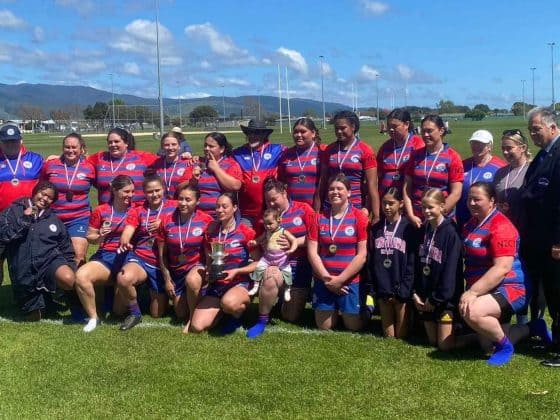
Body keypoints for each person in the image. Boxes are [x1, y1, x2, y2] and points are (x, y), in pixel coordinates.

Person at [460, 182, 546, 366]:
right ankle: (533, 328)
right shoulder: (471, 224)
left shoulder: (501, 226)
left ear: (492, 201)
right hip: (487, 288)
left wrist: (472, 292)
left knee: (472, 311)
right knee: (486, 346)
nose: (472, 203)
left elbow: (502, 268)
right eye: (469, 199)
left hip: (511, 288)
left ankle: (505, 347)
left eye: (477, 199)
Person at [245, 178, 315, 338]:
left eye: (274, 199)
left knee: (290, 316)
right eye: (267, 201)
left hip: (299, 270)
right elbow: (258, 242)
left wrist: (294, 242)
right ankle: (262, 320)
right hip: (274, 265)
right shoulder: (265, 217)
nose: (271, 204)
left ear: (284, 193)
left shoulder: (303, 209)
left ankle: (283, 300)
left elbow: (315, 236)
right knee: (271, 277)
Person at [518, 107, 560, 367]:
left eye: (537, 129)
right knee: (549, 291)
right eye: (530, 130)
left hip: (552, 240)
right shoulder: (544, 154)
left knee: (558, 291)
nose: (533, 134)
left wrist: (558, 241)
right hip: (538, 238)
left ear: (552, 128)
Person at [0, 181, 76, 320]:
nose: (45, 199)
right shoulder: (13, 210)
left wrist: (71, 266)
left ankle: (62, 298)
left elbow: (65, 246)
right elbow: (4, 236)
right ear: (35, 192)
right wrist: (25, 219)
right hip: (23, 268)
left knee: (68, 279)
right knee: (35, 316)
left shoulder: (53, 219)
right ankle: (43, 299)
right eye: (43, 194)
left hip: (48, 261)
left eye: (50, 198)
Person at [190, 192, 260, 334]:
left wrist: (237, 271)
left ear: (234, 208)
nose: (220, 210)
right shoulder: (211, 232)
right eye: (217, 206)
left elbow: (258, 262)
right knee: (197, 326)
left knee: (229, 303)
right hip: (217, 286)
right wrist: (209, 272)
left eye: (224, 206)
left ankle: (236, 315)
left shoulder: (246, 232)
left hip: (239, 283)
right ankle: (223, 312)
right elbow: (209, 260)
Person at [307, 173, 369, 331]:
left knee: (353, 326)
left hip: (349, 281)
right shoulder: (318, 217)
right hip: (324, 280)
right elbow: (312, 253)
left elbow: (362, 255)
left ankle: (368, 304)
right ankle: (335, 306)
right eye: (331, 189)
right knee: (324, 326)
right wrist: (327, 280)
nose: (335, 192)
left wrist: (340, 280)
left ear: (349, 192)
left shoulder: (359, 217)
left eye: (339, 189)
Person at [116, 174, 176, 330]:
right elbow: (129, 229)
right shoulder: (138, 210)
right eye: (150, 191)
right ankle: (135, 314)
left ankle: (145, 291)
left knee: (157, 314)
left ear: (164, 189)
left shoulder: (175, 206)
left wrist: (164, 222)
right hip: (141, 257)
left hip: (162, 262)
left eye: (157, 190)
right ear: (144, 193)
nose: (154, 194)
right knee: (123, 281)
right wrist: (125, 240)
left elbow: (187, 220)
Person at [75, 175, 134, 332]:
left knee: (118, 312)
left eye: (132, 191)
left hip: (129, 258)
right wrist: (100, 235)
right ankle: (94, 318)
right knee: (81, 276)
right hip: (106, 256)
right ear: (114, 190)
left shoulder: (137, 210)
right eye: (126, 191)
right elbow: (90, 237)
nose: (130, 195)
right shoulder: (101, 210)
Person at [412, 189, 463, 351]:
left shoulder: (451, 233)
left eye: (431, 207)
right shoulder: (423, 229)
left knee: (445, 345)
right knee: (433, 341)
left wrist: (436, 300)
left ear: (442, 206)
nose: (426, 211)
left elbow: (450, 272)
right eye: (423, 207)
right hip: (425, 297)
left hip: (444, 299)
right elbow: (416, 265)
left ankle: (476, 336)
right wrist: (416, 293)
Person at [157, 184, 213, 331]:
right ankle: (200, 300)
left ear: (198, 201)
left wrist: (208, 273)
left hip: (196, 268)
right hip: (177, 272)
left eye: (188, 200)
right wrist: (167, 280)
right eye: (180, 199)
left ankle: (192, 319)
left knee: (192, 280)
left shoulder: (206, 220)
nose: (183, 203)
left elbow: (209, 252)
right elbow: (162, 255)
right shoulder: (167, 220)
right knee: (180, 312)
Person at [368, 187, 417, 338]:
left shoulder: (409, 228)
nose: (387, 207)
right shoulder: (376, 229)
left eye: (391, 203)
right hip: (383, 289)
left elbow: (411, 263)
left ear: (401, 203)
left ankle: (411, 318)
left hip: (401, 290)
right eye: (384, 203)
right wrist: (377, 288)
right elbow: (371, 260)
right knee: (389, 336)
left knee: (401, 335)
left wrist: (404, 289)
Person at [41, 133, 95, 265]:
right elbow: (40, 187)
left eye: (74, 147)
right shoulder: (51, 165)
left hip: (79, 217)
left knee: (78, 255)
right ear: (63, 148)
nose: (70, 150)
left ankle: (79, 278)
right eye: (67, 147)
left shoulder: (89, 167)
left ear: (81, 148)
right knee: (51, 256)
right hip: (53, 216)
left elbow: (102, 186)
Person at [316, 110, 380, 223]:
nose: (339, 131)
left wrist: (374, 213)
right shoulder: (329, 150)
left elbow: (372, 185)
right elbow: (323, 181)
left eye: (343, 128)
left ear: (353, 127)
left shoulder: (365, 150)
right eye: (336, 128)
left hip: (355, 206)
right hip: (331, 205)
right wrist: (317, 211)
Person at [0, 123, 43, 286]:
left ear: (21, 140)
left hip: (28, 218)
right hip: (1, 220)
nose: (11, 144)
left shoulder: (36, 159)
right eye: (6, 141)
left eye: (14, 140)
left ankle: (27, 293)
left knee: (24, 260)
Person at [403, 114, 463, 228]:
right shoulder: (415, 156)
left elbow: (456, 193)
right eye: (423, 131)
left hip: (441, 221)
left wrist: (437, 216)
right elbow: (407, 189)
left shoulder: (453, 157)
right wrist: (410, 214)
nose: (425, 135)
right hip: (417, 220)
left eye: (429, 131)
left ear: (441, 131)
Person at [233, 120, 284, 226]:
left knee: (271, 236)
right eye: (249, 133)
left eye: (256, 133)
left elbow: (297, 152)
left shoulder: (277, 149)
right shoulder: (238, 153)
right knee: (244, 236)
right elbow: (220, 159)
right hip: (246, 213)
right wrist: (199, 159)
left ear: (264, 135)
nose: (252, 136)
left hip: (271, 211)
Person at [87, 128, 157, 205]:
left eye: (116, 141)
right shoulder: (99, 158)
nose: (113, 145)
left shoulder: (142, 157)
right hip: (106, 210)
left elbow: (162, 163)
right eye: (110, 142)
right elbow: (83, 164)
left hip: (136, 210)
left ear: (126, 143)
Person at [456, 130, 506, 228]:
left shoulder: (500, 167)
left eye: (481, 144)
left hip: (487, 219)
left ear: (490, 146)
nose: (476, 146)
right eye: (473, 143)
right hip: (462, 218)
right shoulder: (462, 165)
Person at [186, 132, 242, 218]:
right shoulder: (196, 162)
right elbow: (181, 187)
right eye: (205, 145)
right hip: (198, 215)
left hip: (222, 215)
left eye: (211, 146)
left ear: (222, 149)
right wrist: (193, 180)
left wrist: (216, 169)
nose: (206, 148)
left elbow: (235, 186)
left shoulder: (231, 164)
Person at [247, 207, 298, 300]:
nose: (267, 226)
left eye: (270, 223)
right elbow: (260, 239)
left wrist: (292, 249)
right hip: (268, 258)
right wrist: (254, 242)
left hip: (281, 259)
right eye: (265, 224)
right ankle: (255, 286)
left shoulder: (283, 231)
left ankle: (288, 288)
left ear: (279, 221)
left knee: (288, 272)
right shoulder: (266, 232)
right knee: (258, 268)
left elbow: (294, 240)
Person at [376, 108, 424, 198]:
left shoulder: (418, 144)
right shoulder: (385, 147)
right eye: (389, 126)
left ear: (406, 124)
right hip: (386, 200)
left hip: (408, 199)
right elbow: (378, 174)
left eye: (394, 126)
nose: (391, 129)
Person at [278, 117, 325, 206]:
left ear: (313, 133)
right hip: (292, 208)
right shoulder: (286, 154)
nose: (298, 135)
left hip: (316, 207)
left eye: (303, 132)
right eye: (295, 132)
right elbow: (281, 181)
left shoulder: (322, 152)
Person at [493, 129, 531, 229]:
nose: (505, 152)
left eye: (509, 148)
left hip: (527, 229)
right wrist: (497, 206)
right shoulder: (500, 172)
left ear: (523, 148)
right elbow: (493, 199)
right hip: (503, 228)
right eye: (503, 148)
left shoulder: (533, 171)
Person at [150, 131, 193, 200]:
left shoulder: (187, 163)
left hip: (181, 204)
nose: (170, 148)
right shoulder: (156, 163)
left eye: (174, 144)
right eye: (167, 145)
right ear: (162, 147)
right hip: (161, 204)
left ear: (179, 146)